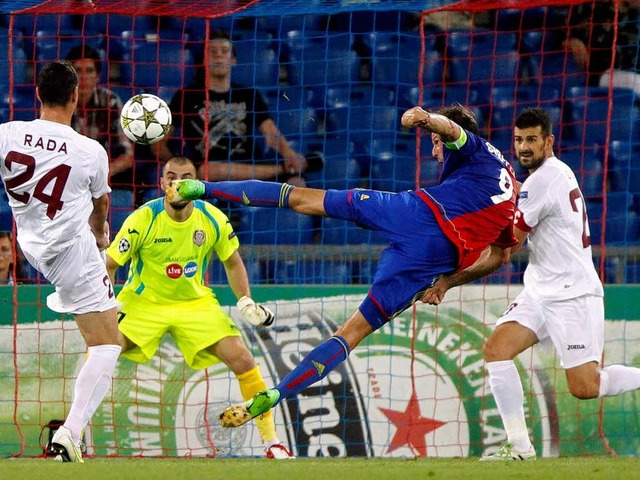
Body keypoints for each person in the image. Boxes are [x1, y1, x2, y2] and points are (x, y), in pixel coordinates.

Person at [165, 104, 519, 429]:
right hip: (432, 262)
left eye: (435, 143)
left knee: (302, 199)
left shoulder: (474, 147)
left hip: (418, 214)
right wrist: (445, 283)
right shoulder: (506, 188)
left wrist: (427, 119)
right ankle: (275, 395)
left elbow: (453, 131)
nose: (433, 150)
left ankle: (201, 187)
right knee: (350, 334)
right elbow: (501, 257)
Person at [422, 108, 640, 461]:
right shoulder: (546, 177)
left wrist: (448, 278)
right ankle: (520, 447)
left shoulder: (545, 180)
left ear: (549, 141)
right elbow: (517, 193)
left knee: (586, 387)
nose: (524, 147)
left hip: (573, 293)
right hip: (541, 289)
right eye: (519, 140)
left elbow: (504, 248)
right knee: (497, 350)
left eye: (532, 140)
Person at [104, 155, 294, 459]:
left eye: (186, 177)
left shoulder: (213, 218)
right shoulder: (143, 218)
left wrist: (245, 299)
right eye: (171, 177)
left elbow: (233, 262)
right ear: (161, 182)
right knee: (104, 346)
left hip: (195, 304)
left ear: (197, 184)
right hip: (143, 303)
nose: (177, 183)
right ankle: (73, 432)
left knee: (244, 360)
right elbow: (110, 264)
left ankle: (272, 443)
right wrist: (108, 305)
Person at [0, 61, 120, 462]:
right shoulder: (91, 151)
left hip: (29, 246)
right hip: (71, 249)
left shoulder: (8, 133)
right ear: (75, 97)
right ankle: (70, 435)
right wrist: (101, 237)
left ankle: (71, 434)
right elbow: (101, 206)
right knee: (107, 343)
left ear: (37, 94)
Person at [152, 30, 316, 185]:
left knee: (297, 184)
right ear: (204, 60)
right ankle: (280, 171)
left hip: (249, 164)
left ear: (233, 60)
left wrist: (290, 155)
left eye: (224, 51)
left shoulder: (249, 94)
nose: (218, 55)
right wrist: (178, 167)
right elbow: (159, 143)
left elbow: (271, 133)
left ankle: (283, 171)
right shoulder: (186, 95)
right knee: (212, 170)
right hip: (207, 170)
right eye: (212, 51)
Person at [65, 45, 135, 188]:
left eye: (89, 71)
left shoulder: (111, 102)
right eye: (78, 71)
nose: (83, 77)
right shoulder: (57, 102)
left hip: (103, 173)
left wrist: (102, 174)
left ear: (97, 76)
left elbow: (127, 156)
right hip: (66, 174)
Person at [564, 1, 640, 88]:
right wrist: (572, 41)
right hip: (603, 73)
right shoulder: (593, 6)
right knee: (635, 82)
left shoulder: (635, 14)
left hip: (634, 72)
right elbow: (562, 33)